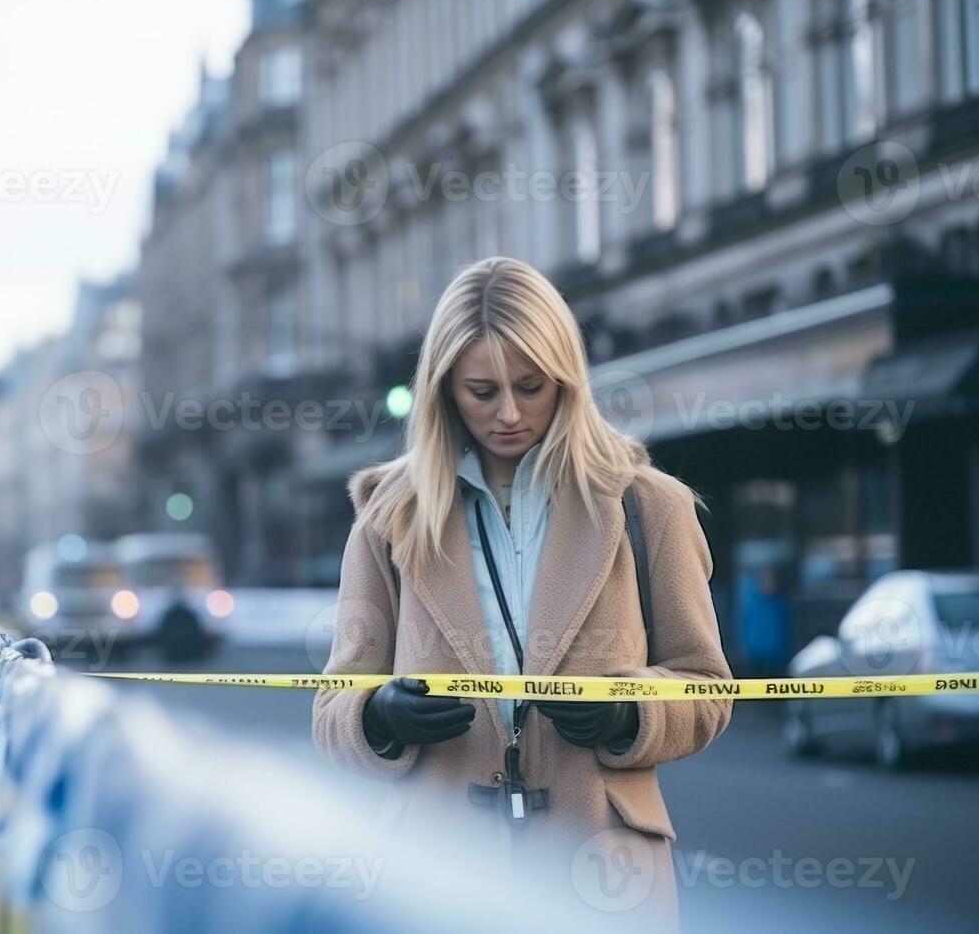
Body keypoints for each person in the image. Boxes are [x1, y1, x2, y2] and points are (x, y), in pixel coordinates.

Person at [312, 257, 733, 932]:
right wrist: (376, 717)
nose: (508, 412)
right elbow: (334, 702)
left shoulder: (647, 507)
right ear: (443, 389)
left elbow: (706, 686)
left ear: (566, 380)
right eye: (481, 391)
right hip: (434, 873)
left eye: (530, 386)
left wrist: (631, 715)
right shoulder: (387, 517)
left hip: (602, 875)